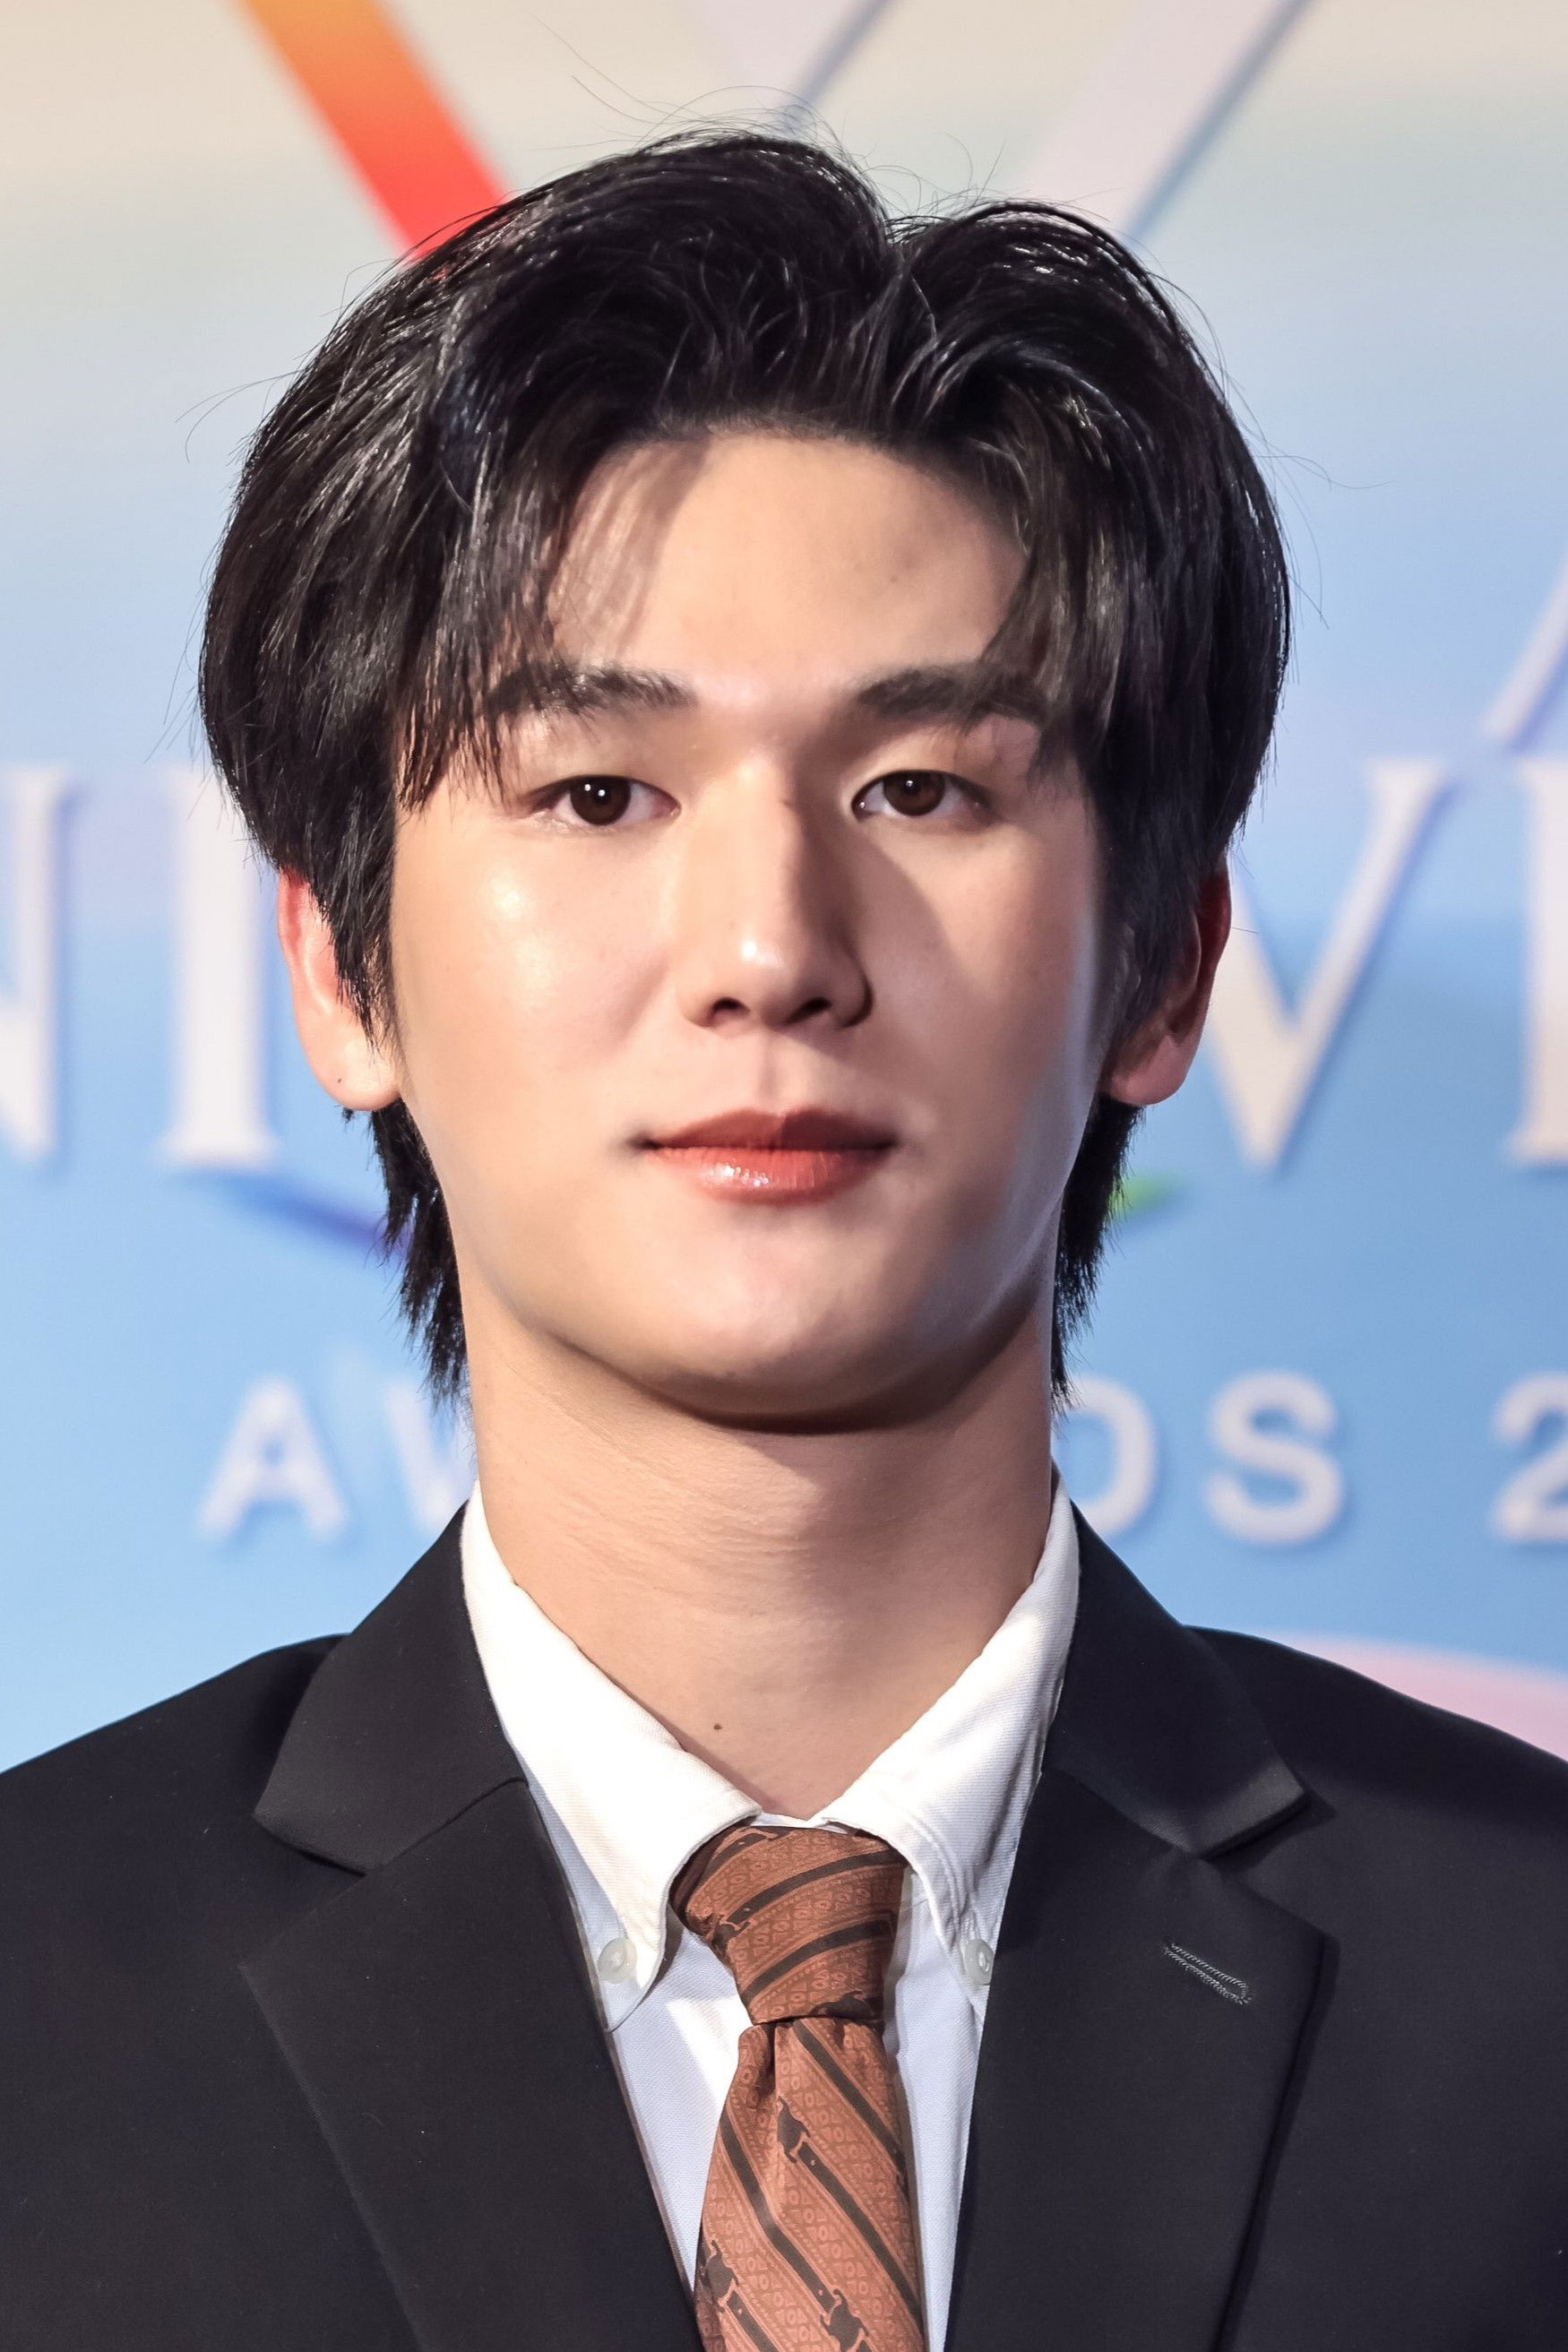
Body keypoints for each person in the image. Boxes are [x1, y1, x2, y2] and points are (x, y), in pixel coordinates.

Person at [4, 131, 1566, 2352]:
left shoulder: (1521, 1986)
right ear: (341, 969)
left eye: (919, 787)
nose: (768, 949)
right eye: (597, 793)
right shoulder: (33, 2010)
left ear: (1161, 966)